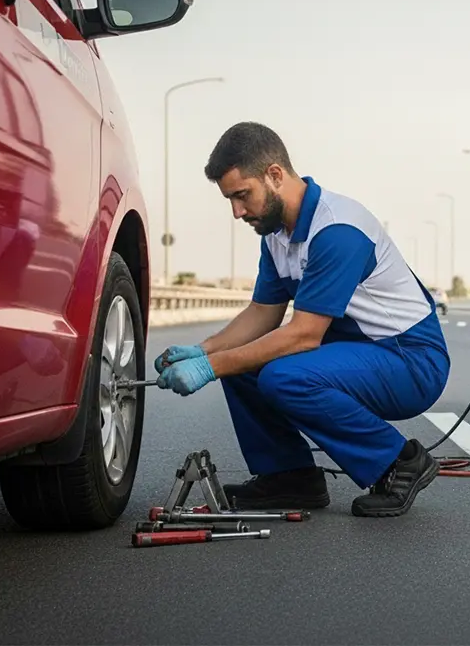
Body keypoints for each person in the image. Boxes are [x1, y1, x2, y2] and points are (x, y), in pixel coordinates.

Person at [153, 122, 451, 518]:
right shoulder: (275, 233)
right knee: (242, 364)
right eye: (230, 200)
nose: (237, 212)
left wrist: (209, 367)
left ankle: (399, 460)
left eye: (242, 196)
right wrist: (204, 350)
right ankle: (288, 477)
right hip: (356, 352)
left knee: (282, 375)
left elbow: (304, 335)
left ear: (275, 175)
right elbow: (263, 312)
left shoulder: (337, 228)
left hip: (410, 359)